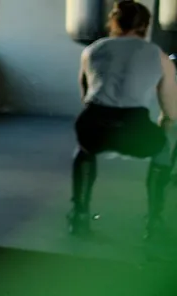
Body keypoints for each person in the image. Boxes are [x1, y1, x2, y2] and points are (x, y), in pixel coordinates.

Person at [70, 0, 177, 240]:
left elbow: (86, 97)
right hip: (134, 128)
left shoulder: (93, 50)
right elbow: (171, 112)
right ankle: (155, 221)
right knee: (161, 149)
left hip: (94, 126)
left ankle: (79, 215)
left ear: (114, 22)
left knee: (84, 150)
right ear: (146, 26)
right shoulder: (159, 56)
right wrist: (162, 127)